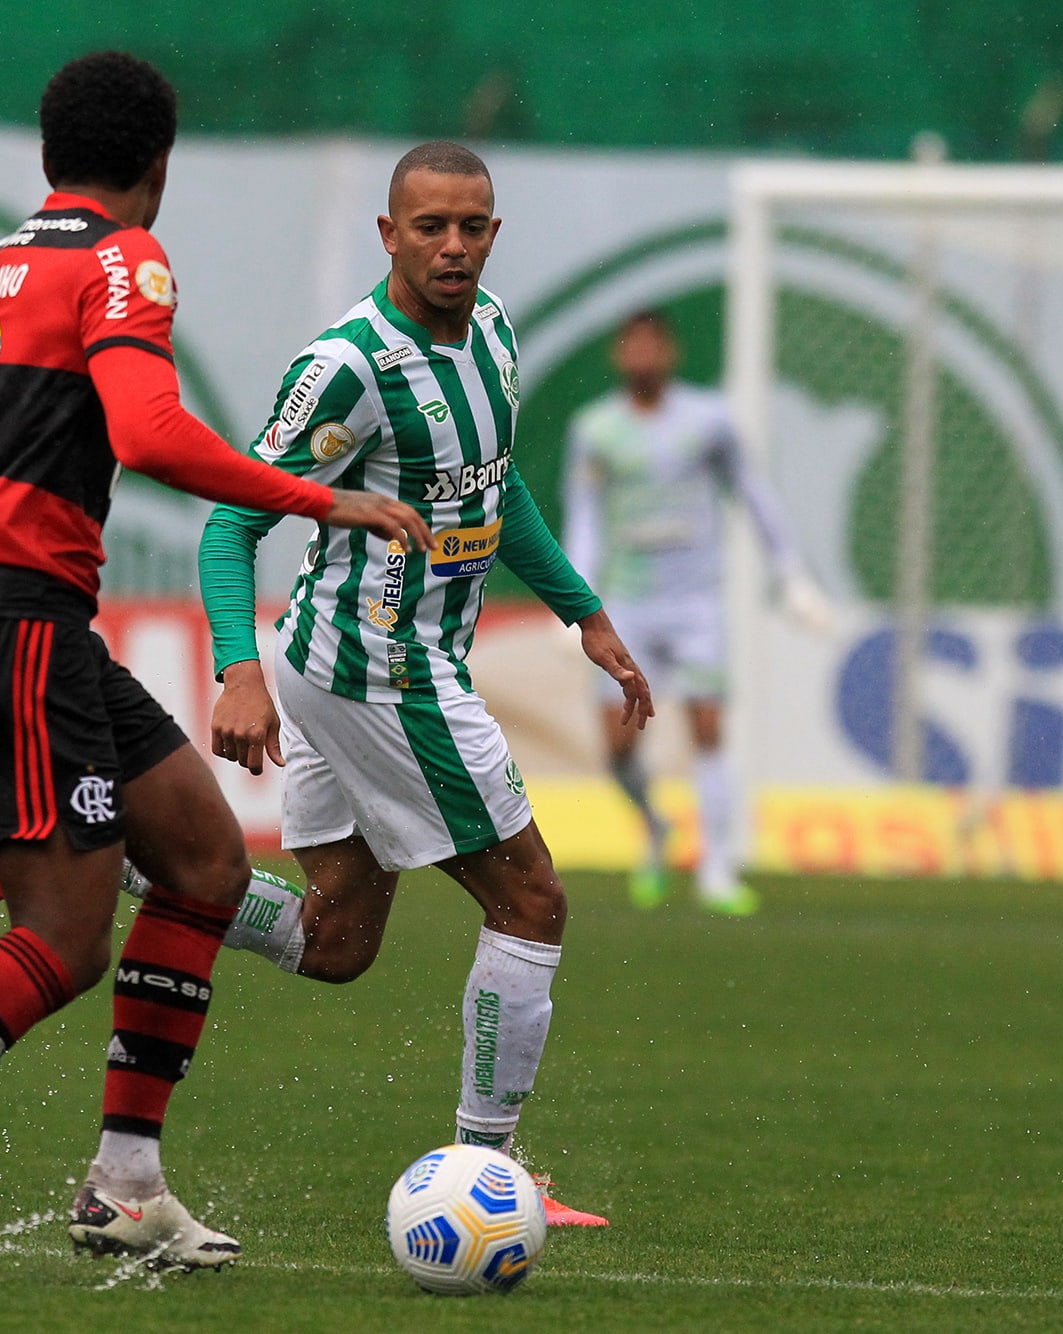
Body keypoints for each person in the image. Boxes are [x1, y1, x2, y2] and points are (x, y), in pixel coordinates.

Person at [0, 51, 427, 1283]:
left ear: (48, 154)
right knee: (61, 940)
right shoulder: (124, 257)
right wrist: (320, 500)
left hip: (8, 615)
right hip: (15, 615)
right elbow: (148, 432)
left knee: (207, 862)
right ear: (158, 164)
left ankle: (124, 1182)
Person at [201, 140, 646, 1228]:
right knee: (531, 898)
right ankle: (488, 1171)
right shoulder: (350, 366)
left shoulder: (491, 331)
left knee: (335, 942)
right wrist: (233, 668)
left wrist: (581, 611)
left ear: (493, 232)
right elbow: (231, 519)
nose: (454, 246)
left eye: (473, 225)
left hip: (361, 664)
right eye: (431, 226)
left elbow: (498, 487)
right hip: (378, 669)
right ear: (390, 234)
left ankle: (114, 851)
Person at [562, 310, 831, 915]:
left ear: (672, 353)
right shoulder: (597, 429)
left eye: (654, 344)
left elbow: (755, 495)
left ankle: (717, 869)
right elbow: (583, 516)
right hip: (626, 602)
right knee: (619, 749)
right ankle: (656, 829)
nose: (643, 356)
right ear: (617, 356)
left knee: (709, 728)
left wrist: (790, 573)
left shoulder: (709, 422)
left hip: (696, 602)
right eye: (632, 346)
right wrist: (576, 599)